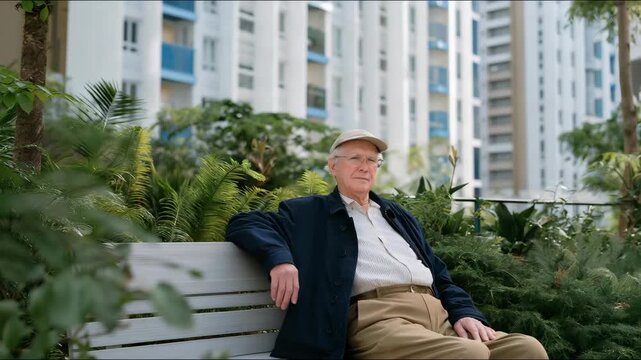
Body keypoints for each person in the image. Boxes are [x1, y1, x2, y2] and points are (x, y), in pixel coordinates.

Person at [226, 129, 548, 359]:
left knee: (526, 349)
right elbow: (244, 222)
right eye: (355, 158)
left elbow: (439, 273)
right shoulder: (309, 212)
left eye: (372, 160)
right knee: (469, 354)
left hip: (437, 317)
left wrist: (465, 312)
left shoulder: (398, 216)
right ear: (332, 165)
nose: (365, 166)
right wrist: (279, 260)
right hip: (377, 320)